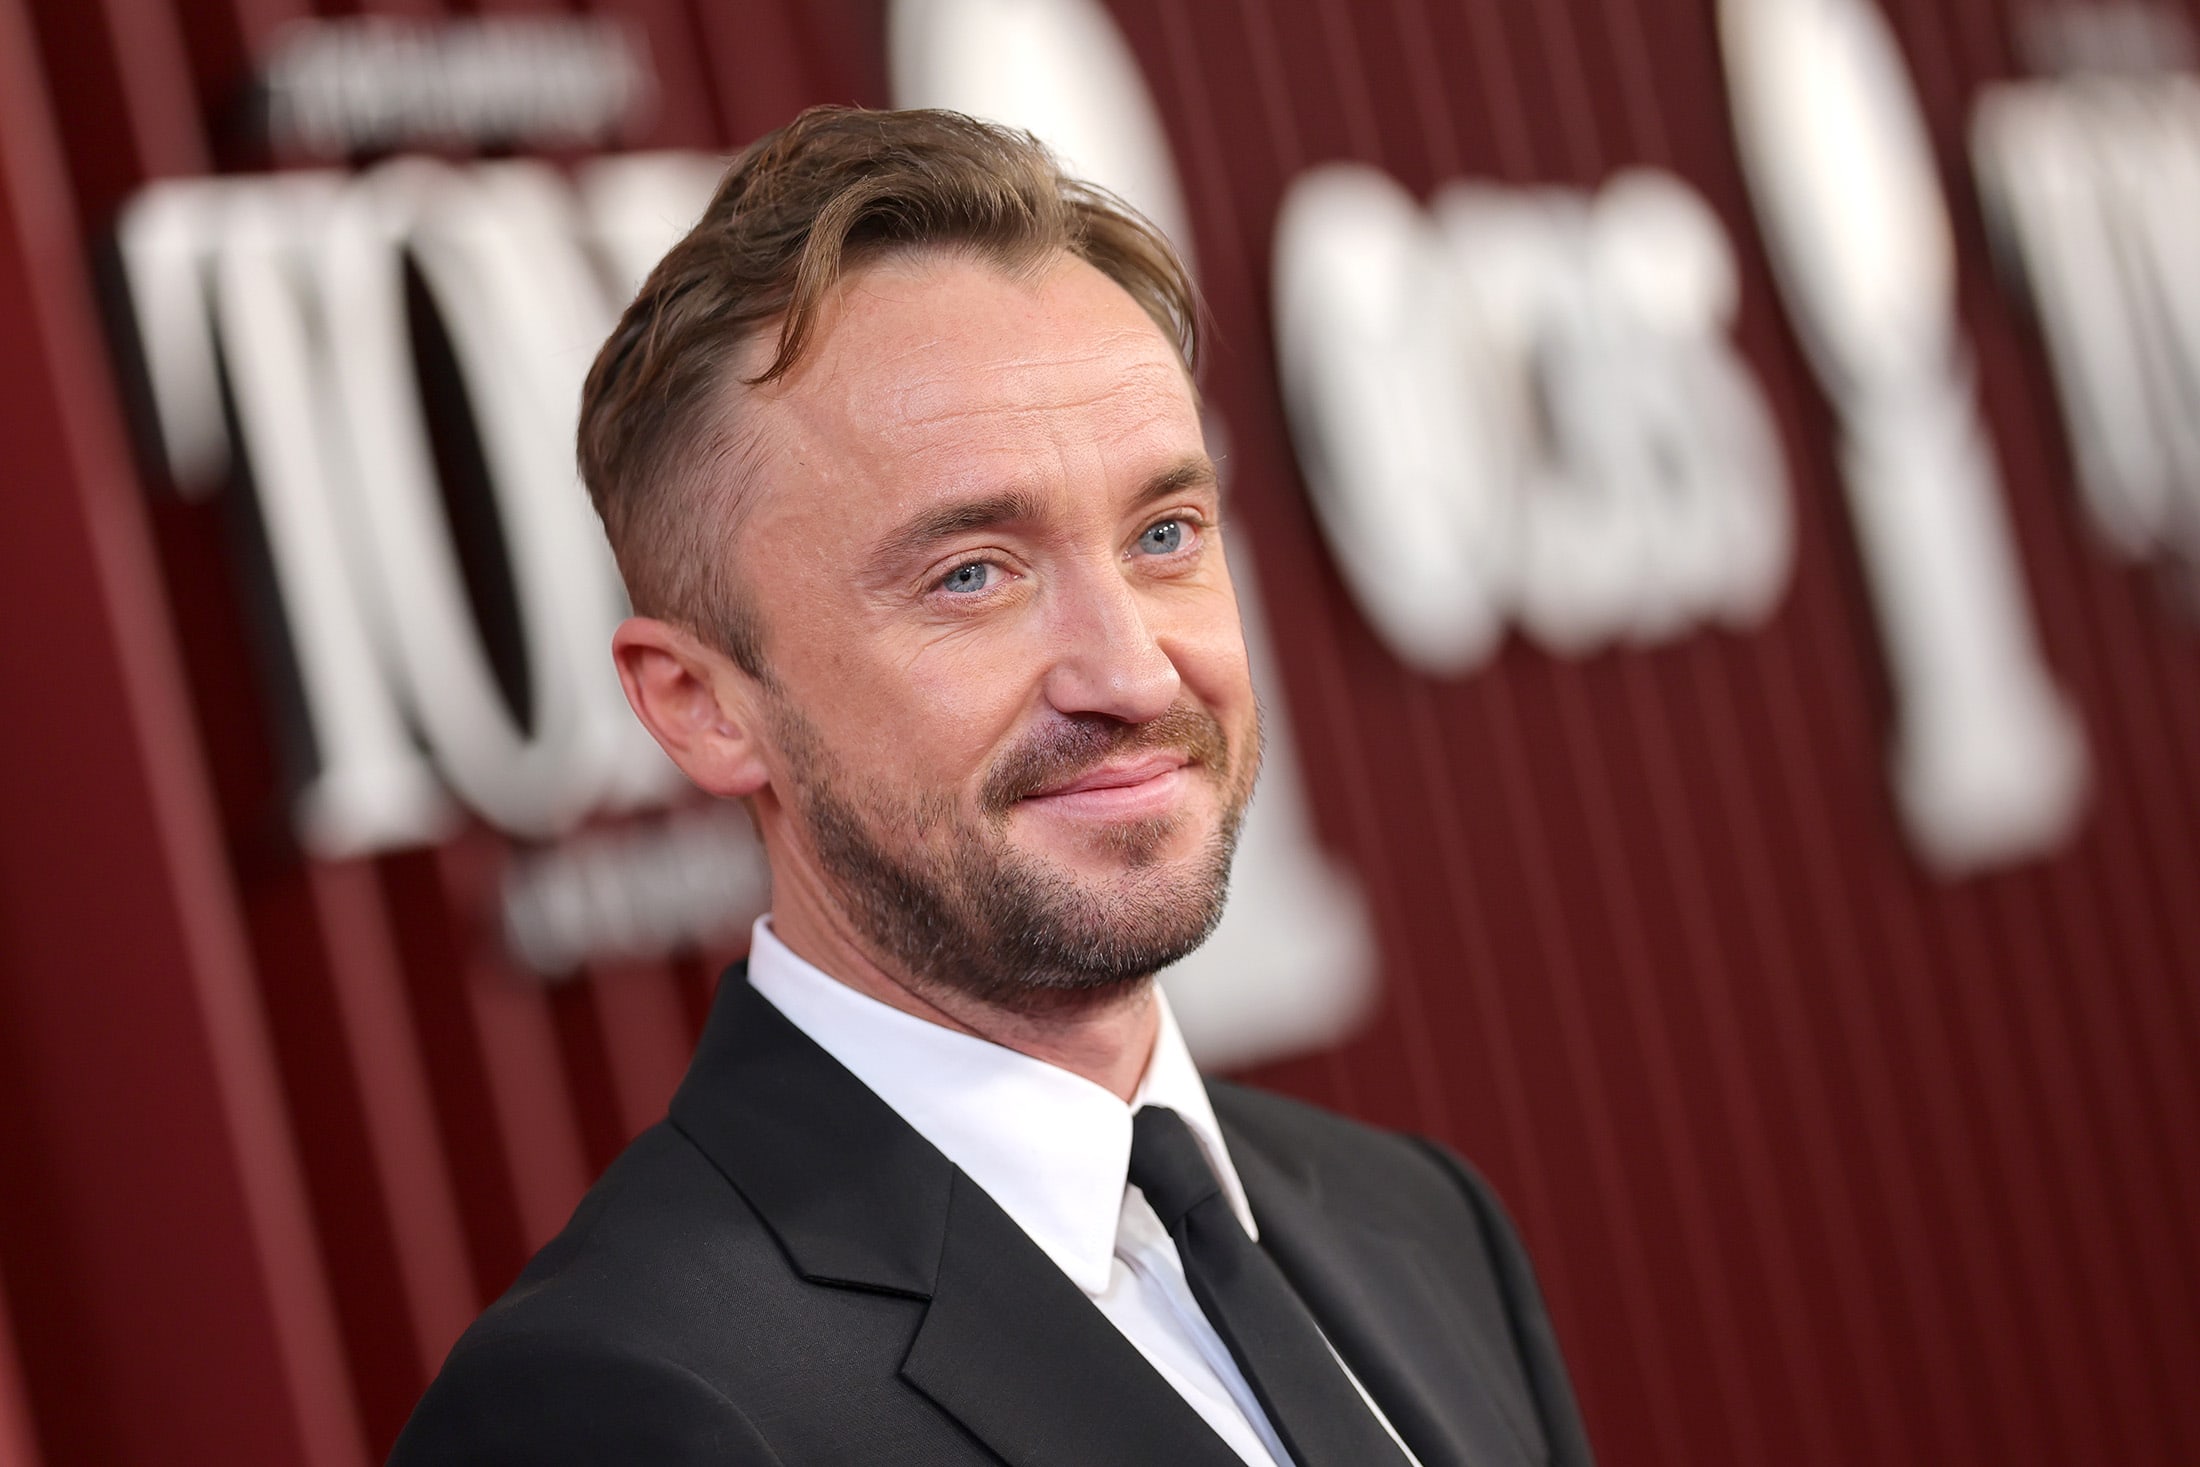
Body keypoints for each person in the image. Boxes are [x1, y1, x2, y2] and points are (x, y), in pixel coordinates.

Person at [390, 105, 1593, 1467]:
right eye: (972, 574)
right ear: (706, 707)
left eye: (1164, 533)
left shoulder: (1421, 1224)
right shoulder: (617, 1410)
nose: (1133, 674)